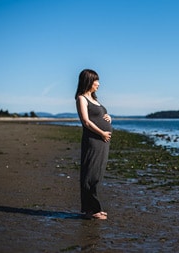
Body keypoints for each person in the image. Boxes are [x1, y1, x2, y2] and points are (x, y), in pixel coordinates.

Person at [74, 69, 112, 220]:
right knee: (90, 173)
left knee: (97, 174)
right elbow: (85, 121)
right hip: (93, 140)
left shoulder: (95, 99)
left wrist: (109, 117)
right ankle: (91, 210)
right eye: (96, 80)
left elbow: (100, 116)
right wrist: (102, 133)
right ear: (88, 81)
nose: (98, 83)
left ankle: (94, 207)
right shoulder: (81, 98)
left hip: (102, 142)